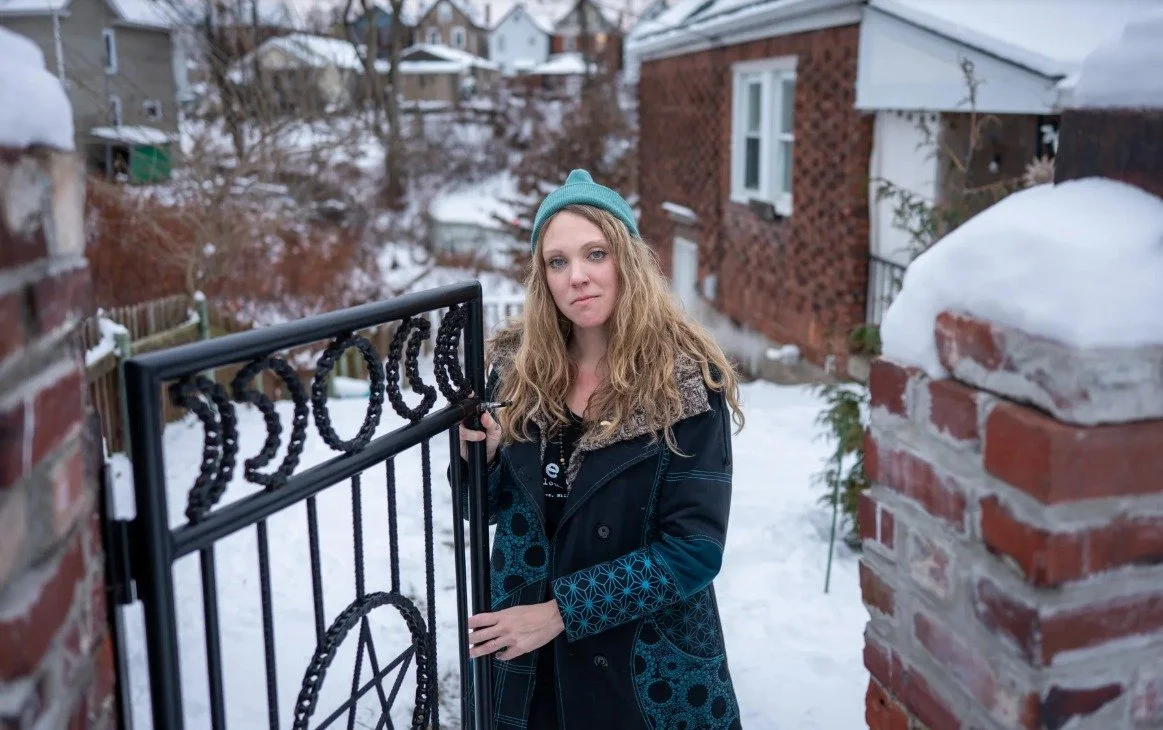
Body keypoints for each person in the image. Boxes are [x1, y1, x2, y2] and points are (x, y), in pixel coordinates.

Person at [453, 169, 745, 729]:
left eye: (595, 254)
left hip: (644, 666)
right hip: (528, 662)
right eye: (557, 262)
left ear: (627, 260)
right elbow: (484, 511)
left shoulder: (685, 382)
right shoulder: (517, 373)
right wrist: (482, 459)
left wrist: (561, 612)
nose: (578, 277)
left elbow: (694, 550)